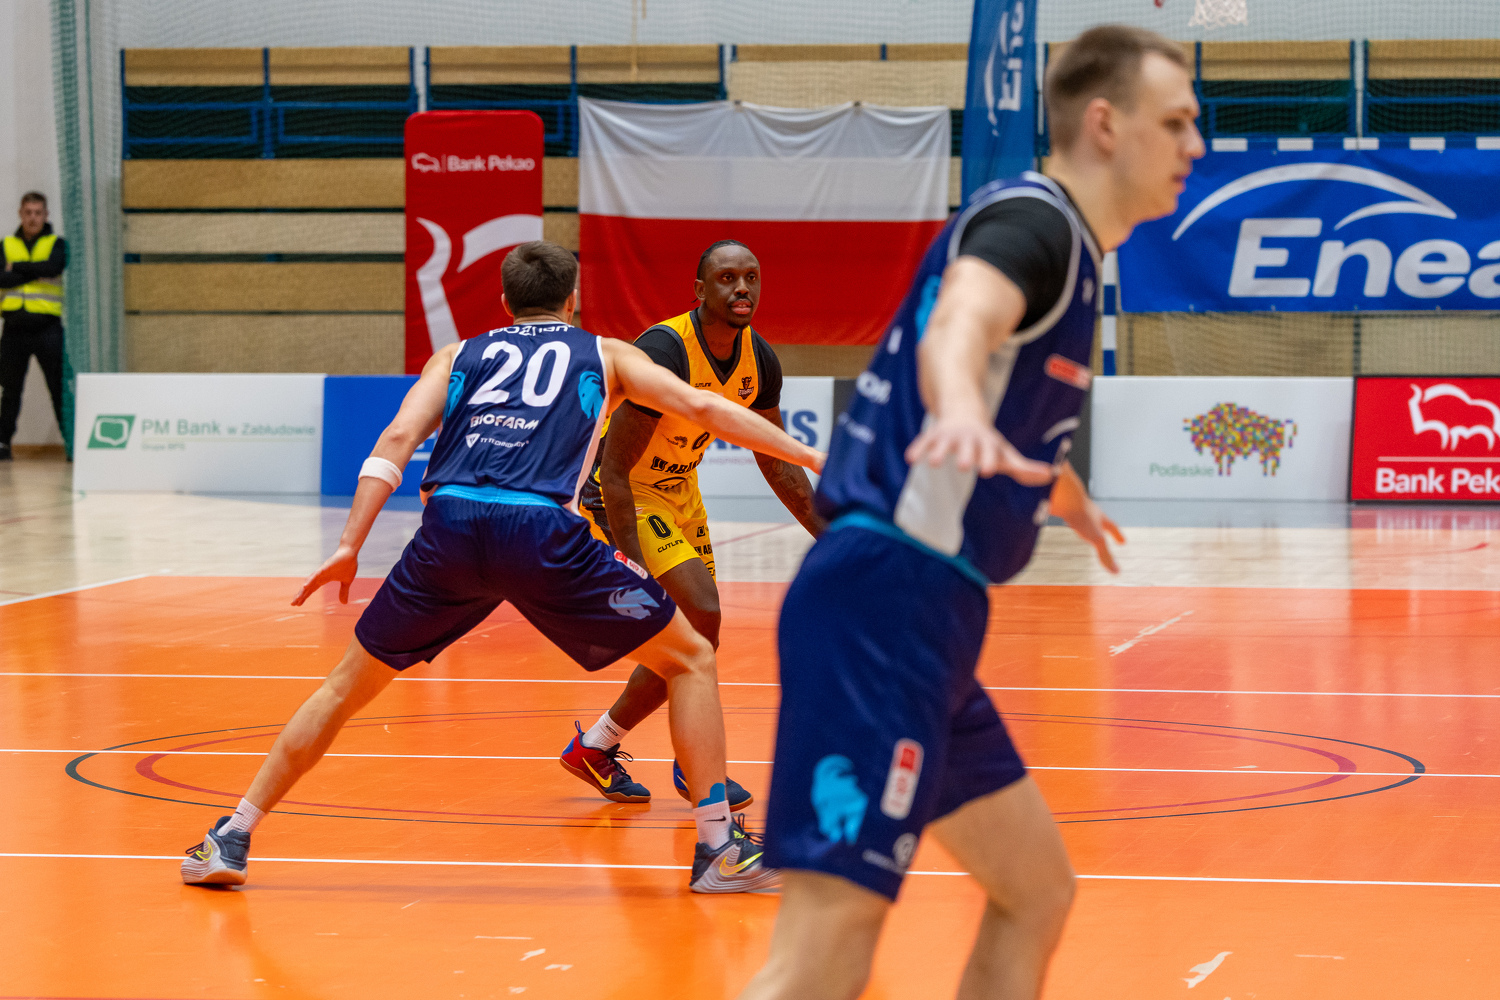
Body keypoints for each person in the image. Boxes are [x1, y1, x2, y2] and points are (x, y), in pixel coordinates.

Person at [738, 25, 1204, 999]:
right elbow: (960, 322)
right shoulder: (1036, 223)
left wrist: (1056, 484)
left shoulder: (1076, 252)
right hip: (883, 605)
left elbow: (1004, 381)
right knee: (827, 947)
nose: (1194, 145)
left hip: (933, 619)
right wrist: (955, 405)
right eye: (1176, 122)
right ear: (1105, 124)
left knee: (1035, 890)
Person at [180, 241, 822, 894]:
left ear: (506, 301)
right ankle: (716, 848)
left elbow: (396, 441)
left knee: (344, 688)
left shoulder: (458, 354)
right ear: (574, 299)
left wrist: (350, 544)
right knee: (690, 657)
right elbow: (710, 410)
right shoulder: (607, 354)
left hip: (449, 533)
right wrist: (814, 457)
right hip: (538, 534)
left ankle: (231, 835)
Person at [560, 239, 824, 809]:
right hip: (623, 493)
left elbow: (776, 461)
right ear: (701, 289)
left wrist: (834, 540)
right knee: (702, 613)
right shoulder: (665, 349)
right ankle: (693, 765)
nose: (742, 288)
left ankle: (596, 746)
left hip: (680, 490)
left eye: (751, 276)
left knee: (697, 639)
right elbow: (614, 469)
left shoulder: (760, 360)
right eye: (727, 278)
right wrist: (629, 563)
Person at [0, 192, 67, 461]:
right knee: (10, 390)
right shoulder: (6, 244)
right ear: (20, 213)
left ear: (46, 215)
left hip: (47, 329)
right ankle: (2, 443)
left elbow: (53, 267)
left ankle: (71, 442)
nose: (33, 218)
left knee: (58, 388)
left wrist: (16, 267)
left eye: (38, 213)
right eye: (28, 212)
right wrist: (34, 270)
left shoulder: (56, 244)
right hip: (14, 329)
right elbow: (1, 279)